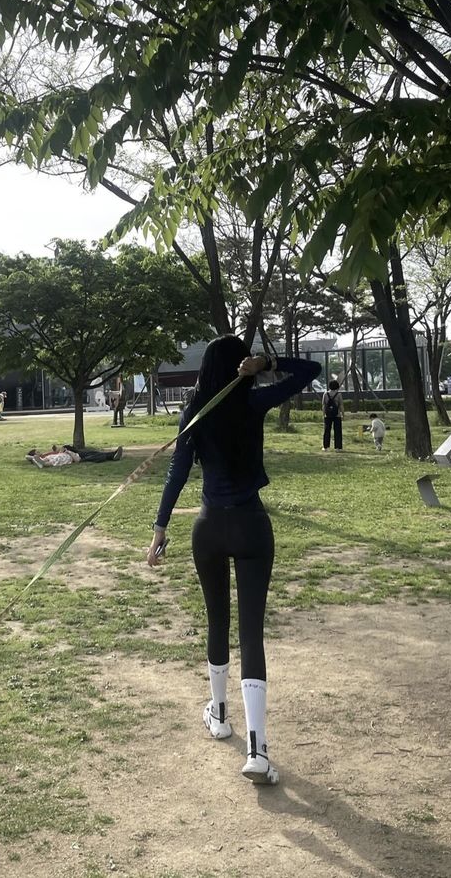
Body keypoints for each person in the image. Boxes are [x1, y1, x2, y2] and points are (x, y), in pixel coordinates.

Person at [147, 335, 321, 786]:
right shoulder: (254, 401)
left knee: (217, 622)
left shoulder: (196, 412)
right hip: (250, 527)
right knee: (251, 634)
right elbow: (310, 373)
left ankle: (219, 714)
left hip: (208, 529)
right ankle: (256, 750)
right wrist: (267, 365)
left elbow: (177, 474)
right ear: (240, 365)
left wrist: (160, 529)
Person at [26, 445, 123, 464]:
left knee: (92, 453)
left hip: (72, 454)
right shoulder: (43, 457)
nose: (39, 452)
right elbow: (28, 457)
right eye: (37, 452)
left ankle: (113, 454)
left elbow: (56, 453)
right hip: (72, 457)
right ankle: (112, 456)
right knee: (93, 457)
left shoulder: (45, 455)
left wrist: (57, 450)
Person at [321, 379, 343, 451]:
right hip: (337, 415)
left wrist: (324, 414)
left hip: (328, 415)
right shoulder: (339, 394)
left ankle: (326, 447)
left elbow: (324, 405)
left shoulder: (325, 394)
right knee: (338, 431)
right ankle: (338, 447)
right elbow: (341, 405)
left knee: (327, 431)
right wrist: (343, 413)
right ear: (337, 386)